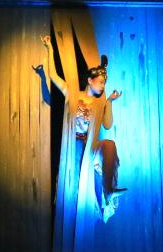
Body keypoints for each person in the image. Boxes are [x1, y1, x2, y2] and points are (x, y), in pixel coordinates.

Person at [40, 35, 124, 224]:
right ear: (90, 80)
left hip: (90, 145)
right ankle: (74, 215)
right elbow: (53, 76)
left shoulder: (99, 103)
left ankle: (109, 190)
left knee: (110, 145)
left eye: (104, 83)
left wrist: (109, 102)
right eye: (100, 82)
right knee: (76, 185)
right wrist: (49, 48)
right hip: (75, 145)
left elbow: (107, 125)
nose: (102, 86)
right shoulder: (72, 94)